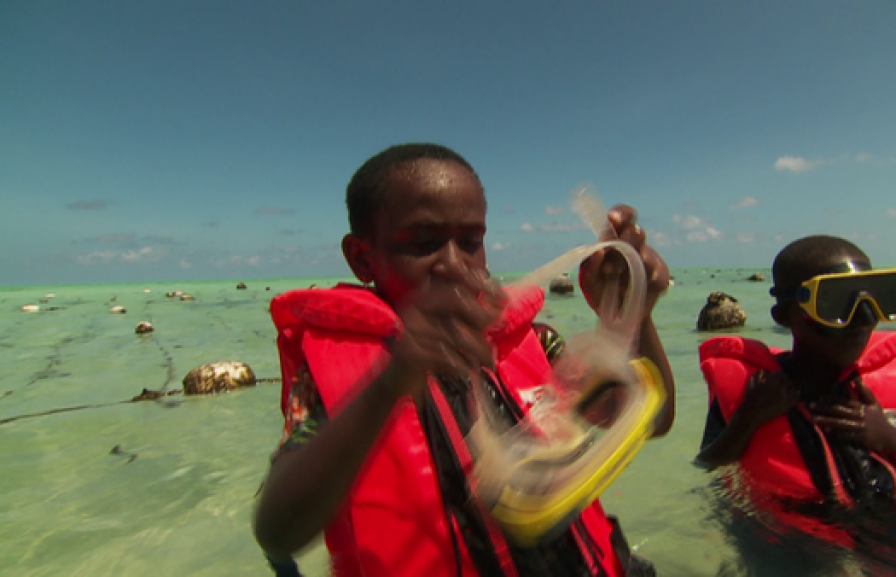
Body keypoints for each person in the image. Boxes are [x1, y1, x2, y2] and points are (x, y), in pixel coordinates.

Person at [252, 143, 676, 577]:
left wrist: (633, 316)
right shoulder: (332, 384)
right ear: (362, 258)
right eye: (423, 244)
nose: (454, 265)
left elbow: (650, 419)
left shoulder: (535, 341)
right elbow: (277, 532)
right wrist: (390, 384)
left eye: (471, 242)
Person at [695, 234, 896, 573]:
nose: (864, 319)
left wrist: (892, 440)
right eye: (836, 303)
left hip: (891, 519)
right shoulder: (755, 393)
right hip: (792, 530)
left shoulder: (881, 389)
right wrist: (749, 418)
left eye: (875, 300)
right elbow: (708, 462)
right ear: (785, 315)